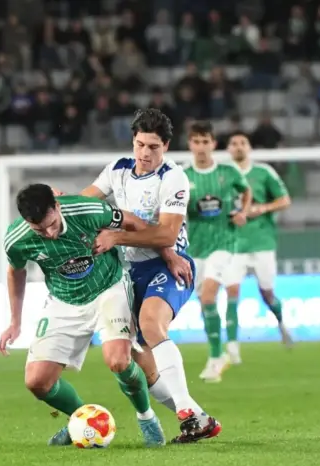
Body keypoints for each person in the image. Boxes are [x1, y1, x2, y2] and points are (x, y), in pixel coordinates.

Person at [85, 108, 222, 444]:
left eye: (154, 147)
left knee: (150, 324)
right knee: (139, 362)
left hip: (169, 265)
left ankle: (186, 408)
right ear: (133, 141)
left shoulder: (173, 177)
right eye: (140, 144)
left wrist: (116, 235)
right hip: (128, 271)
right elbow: (87, 202)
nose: (145, 154)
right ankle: (197, 418)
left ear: (167, 146)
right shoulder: (117, 170)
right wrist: (62, 205)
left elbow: (166, 236)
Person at [0, 184, 165, 447]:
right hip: (64, 301)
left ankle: (146, 416)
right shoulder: (16, 238)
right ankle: (82, 419)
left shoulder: (88, 210)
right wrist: (14, 321)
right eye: (39, 229)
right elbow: (15, 271)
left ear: (57, 206)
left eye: (51, 224)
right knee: (37, 382)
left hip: (109, 289)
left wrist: (132, 242)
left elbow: (133, 221)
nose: (49, 234)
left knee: (118, 361)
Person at [182, 121, 251, 382]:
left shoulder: (227, 171)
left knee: (209, 294)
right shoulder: (183, 176)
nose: (201, 147)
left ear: (213, 144)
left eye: (205, 141)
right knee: (204, 300)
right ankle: (217, 353)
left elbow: (246, 191)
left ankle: (215, 356)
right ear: (190, 144)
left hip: (224, 243)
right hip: (196, 247)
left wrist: (243, 213)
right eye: (196, 142)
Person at [225, 132, 293, 361]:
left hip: (262, 242)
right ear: (228, 149)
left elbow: (285, 200)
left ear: (249, 148)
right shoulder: (221, 175)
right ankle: (233, 346)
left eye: (242, 143)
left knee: (267, 293)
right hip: (233, 244)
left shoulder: (263, 172)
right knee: (232, 291)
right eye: (234, 144)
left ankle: (281, 323)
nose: (238, 147)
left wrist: (261, 209)